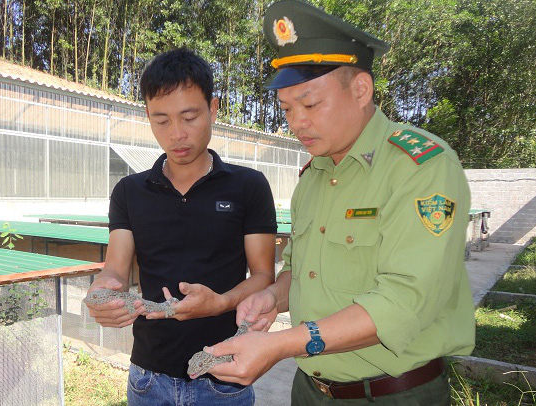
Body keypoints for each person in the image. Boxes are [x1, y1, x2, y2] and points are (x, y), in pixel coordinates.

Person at [205, 1, 476, 404]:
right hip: (311, 390)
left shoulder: (420, 167)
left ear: (361, 89)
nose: (296, 122)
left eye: (310, 104)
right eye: (287, 108)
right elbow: (301, 270)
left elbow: (403, 302)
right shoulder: (313, 177)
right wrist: (272, 298)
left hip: (393, 394)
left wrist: (283, 344)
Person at [85, 48, 277, 406]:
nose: (176, 134)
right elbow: (115, 267)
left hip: (224, 377)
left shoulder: (248, 186)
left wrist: (219, 303)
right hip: (148, 378)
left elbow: (264, 276)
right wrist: (103, 289)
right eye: (161, 120)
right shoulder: (130, 191)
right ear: (147, 115)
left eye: (189, 117)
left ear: (213, 108)